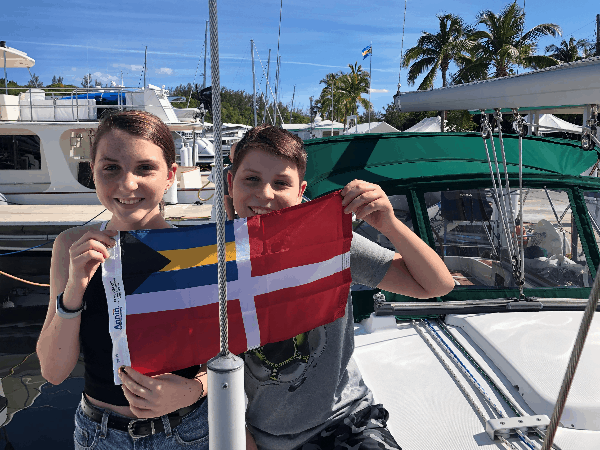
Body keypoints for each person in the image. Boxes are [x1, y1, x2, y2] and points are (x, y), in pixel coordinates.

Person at [36, 110, 256, 450]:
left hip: (189, 430)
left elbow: (230, 351)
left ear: (169, 176)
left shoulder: (198, 251)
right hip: (101, 435)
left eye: (144, 168)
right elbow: (53, 371)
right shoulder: (70, 247)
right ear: (92, 173)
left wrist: (191, 389)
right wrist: (76, 286)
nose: (127, 184)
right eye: (111, 168)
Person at [227, 124, 455, 450]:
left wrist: (388, 223)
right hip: (265, 436)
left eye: (281, 183)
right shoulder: (212, 259)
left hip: (347, 422)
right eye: (251, 179)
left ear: (300, 190)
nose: (265, 194)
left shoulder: (331, 244)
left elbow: (436, 286)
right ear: (230, 182)